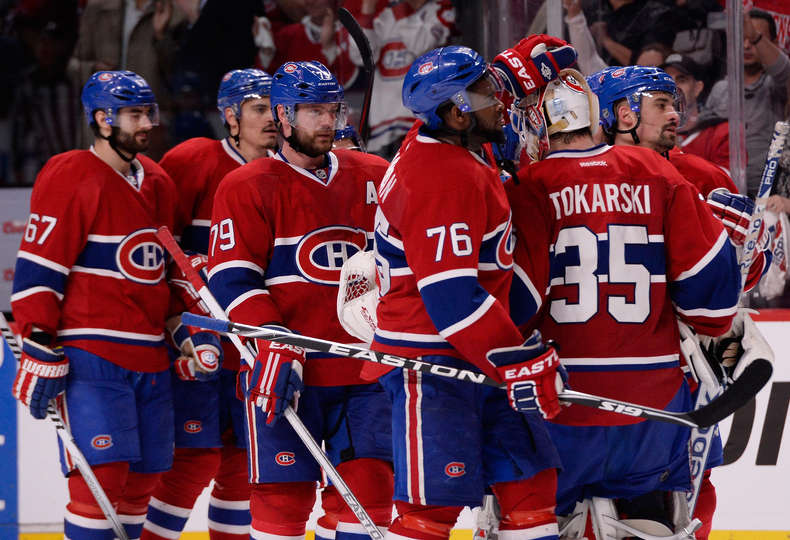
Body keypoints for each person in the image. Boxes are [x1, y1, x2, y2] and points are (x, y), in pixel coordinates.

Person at [502, 64, 741, 536]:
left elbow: (515, 308)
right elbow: (713, 308)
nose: (673, 114)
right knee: (668, 516)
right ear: (609, 115)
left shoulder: (528, 184)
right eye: (660, 103)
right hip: (652, 406)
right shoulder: (661, 172)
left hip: (559, 400)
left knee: (529, 517)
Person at [370, 44, 565, 540]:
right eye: (484, 92)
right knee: (429, 514)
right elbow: (453, 299)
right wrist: (516, 360)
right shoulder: (442, 179)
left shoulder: (448, 140)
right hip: (434, 366)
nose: (498, 99)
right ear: (457, 113)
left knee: (532, 492)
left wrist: (508, 71)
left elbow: (473, 105)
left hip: (480, 356)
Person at [206, 60, 393, 540]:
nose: (327, 122)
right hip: (286, 371)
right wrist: (275, 342)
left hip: (364, 374)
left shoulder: (375, 175)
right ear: (284, 116)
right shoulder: (246, 185)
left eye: (332, 110)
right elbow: (232, 279)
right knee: (280, 510)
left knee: (368, 505)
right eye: (313, 111)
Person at [10, 70, 180, 540]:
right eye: (135, 114)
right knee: (99, 481)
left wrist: (182, 333)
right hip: (92, 355)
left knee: (144, 480)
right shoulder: (70, 172)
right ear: (103, 120)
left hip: (151, 355)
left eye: (149, 111)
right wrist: (38, 339)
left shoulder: (160, 182)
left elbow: (167, 273)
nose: (147, 122)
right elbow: (41, 264)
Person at [139, 68, 276, 540]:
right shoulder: (194, 159)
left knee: (243, 464)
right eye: (259, 108)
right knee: (193, 461)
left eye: (274, 108)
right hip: (199, 338)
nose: (270, 118)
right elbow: (158, 246)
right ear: (231, 117)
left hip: (257, 344)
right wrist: (177, 319)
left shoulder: (288, 172)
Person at [348, 0, 457, 158]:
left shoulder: (441, 10)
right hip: (382, 129)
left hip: (421, 124)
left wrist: (400, 9)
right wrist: (367, 13)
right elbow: (359, 57)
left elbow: (420, 44)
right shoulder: (386, 16)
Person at [705, 9, 790, 196]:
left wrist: (756, 37)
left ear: (774, 44)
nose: (746, 45)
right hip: (725, 193)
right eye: (742, 38)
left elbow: (785, 71)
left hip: (769, 196)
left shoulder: (777, 85)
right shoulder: (721, 89)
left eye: (753, 39)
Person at [661, 54, 730, 171]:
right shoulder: (650, 132)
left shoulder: (720, 132)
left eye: (681, 80)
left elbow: (726, 182)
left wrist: (680, 159)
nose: (673, 87)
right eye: (666, 81)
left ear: (697, 88)